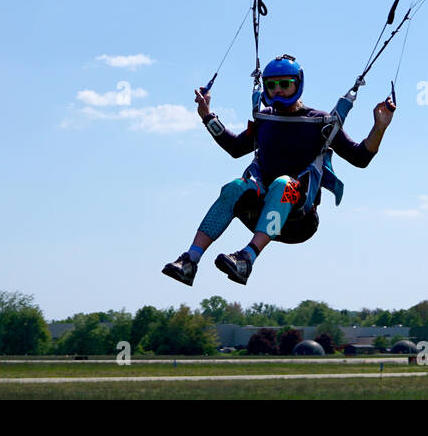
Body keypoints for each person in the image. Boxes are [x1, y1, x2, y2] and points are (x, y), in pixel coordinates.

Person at [162, 54, 394, 286]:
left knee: (284, 184)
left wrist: (379, 127)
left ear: (298, 83)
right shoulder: (265, 120)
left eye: (285, 84)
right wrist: (206, 115)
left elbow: (360, 157)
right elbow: (234, 148)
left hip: (299, 220)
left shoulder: (320, 122)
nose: (278, 91)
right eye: (271, 86)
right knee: (234, 187)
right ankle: (190, 261)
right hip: (261, 213)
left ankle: (247, 259)